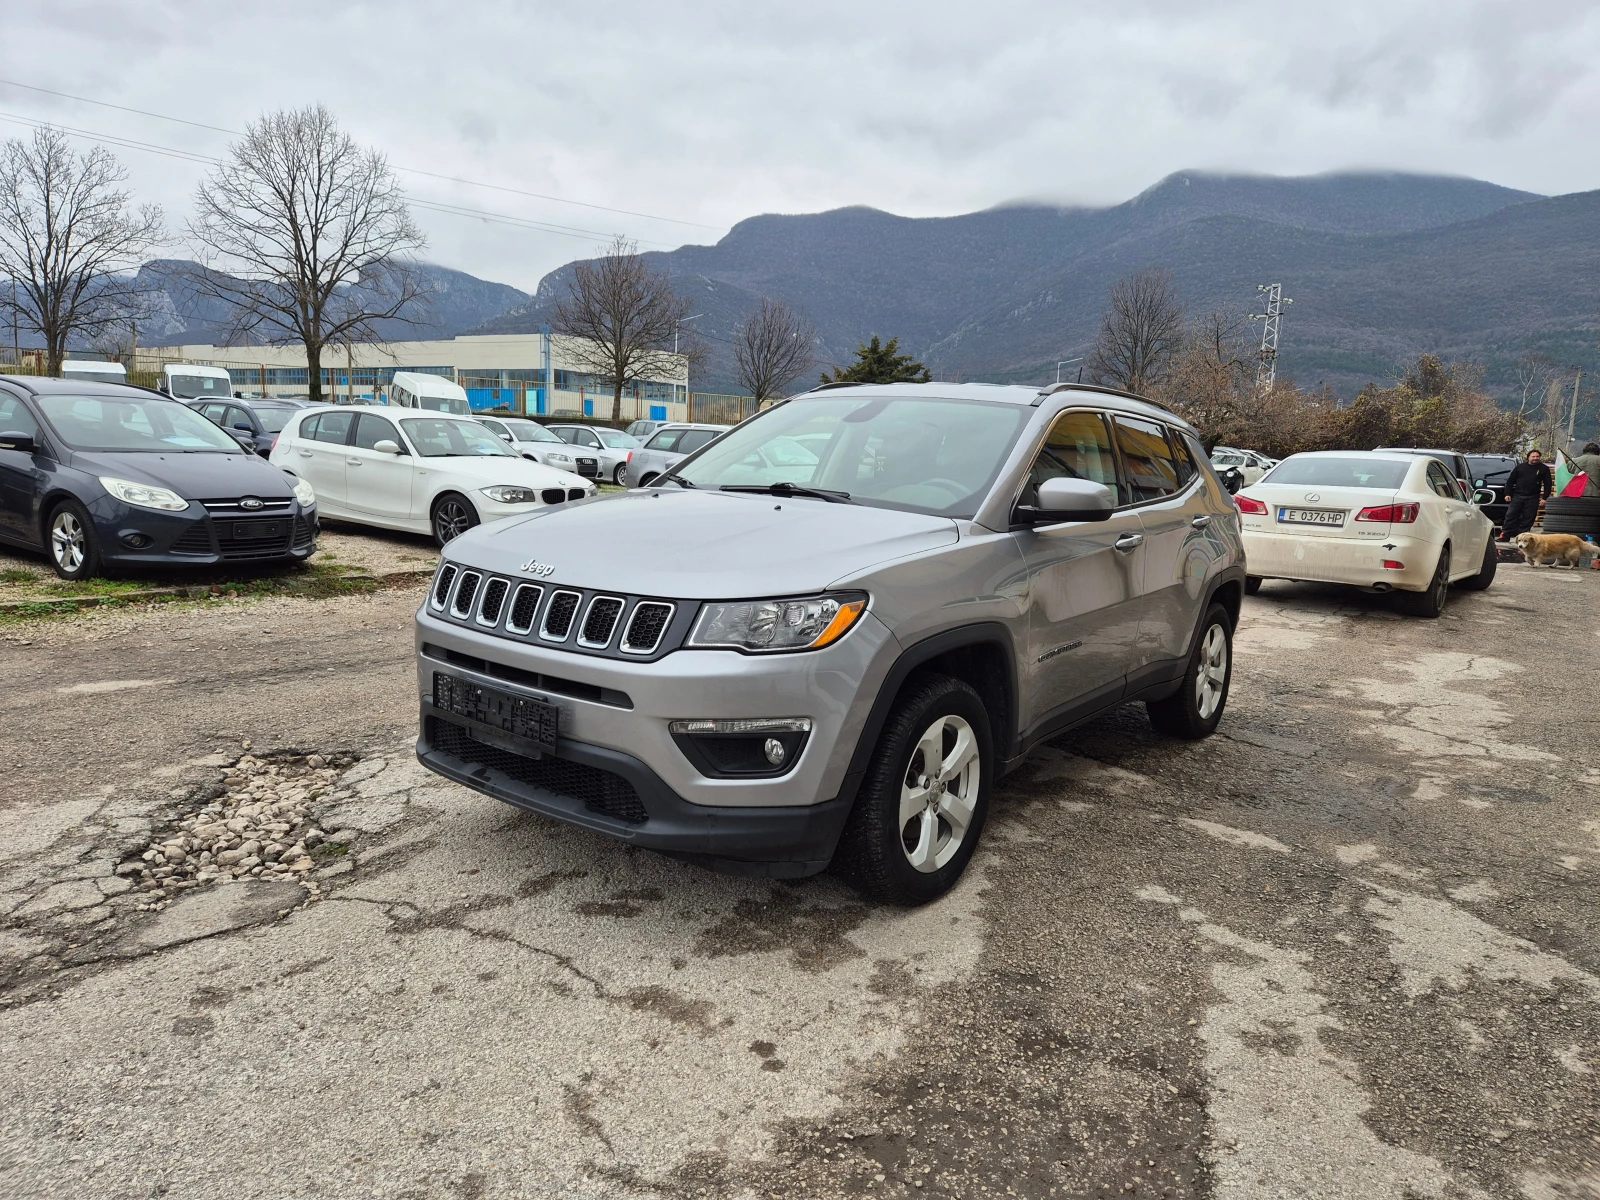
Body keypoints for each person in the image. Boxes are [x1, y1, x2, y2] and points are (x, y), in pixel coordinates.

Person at [1502, 449, 1553, 539]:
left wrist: (1544, 498)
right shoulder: (1520, 467)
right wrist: (1508, 494)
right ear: (1528, 457)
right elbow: (1510, 481)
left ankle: (1523, 538)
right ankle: (1505, 535)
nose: (1535, 458)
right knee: (1510, 516)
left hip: (1533, 497)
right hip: (1518, 496)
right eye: (1533, 456)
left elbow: (1548, 484)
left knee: (1528, 518)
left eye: (1537, 457)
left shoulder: (1543, 468)